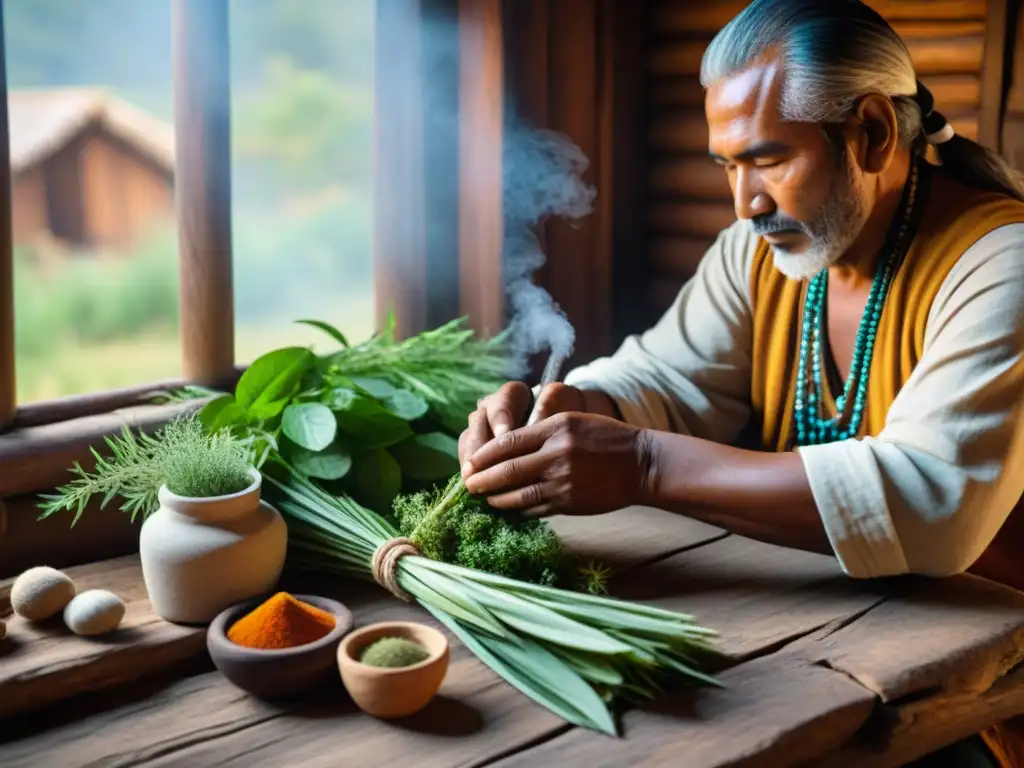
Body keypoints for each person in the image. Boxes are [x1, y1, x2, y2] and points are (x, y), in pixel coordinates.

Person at [457, 1, 1024, 765]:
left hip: (986, 688)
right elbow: (668, 376)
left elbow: (932, 504)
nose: (744, 203)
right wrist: (564, 410)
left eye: (768, 159)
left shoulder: (1001, 265)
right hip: (841, 651)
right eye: (729, 165)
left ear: (872, 134)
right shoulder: (759, 253)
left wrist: (641, 465)